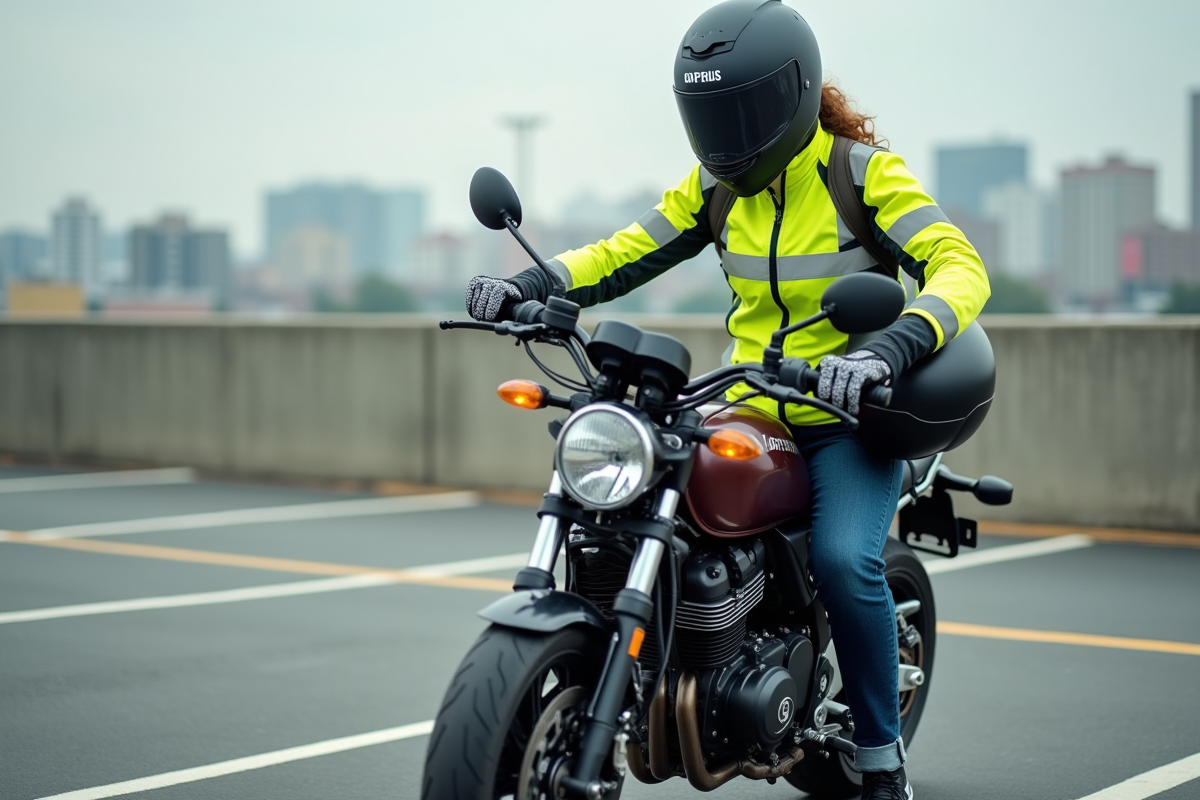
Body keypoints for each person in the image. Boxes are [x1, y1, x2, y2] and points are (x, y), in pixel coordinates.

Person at [465, 1, 989, 797]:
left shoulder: (861, 174)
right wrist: (528, 284)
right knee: (649, 501)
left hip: (848, 417)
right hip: (746, 402)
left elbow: (958, 267)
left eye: (743, 109)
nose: (727, 133)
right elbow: (625, 251)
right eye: (712, 113)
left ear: (794, 94)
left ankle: (881, 758)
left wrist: (890, 347)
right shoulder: (715, 190)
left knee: (847, 562)